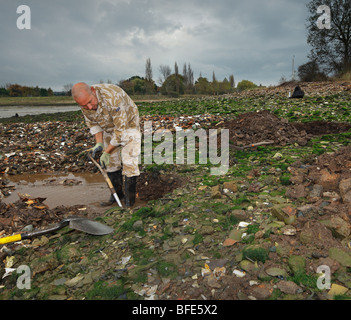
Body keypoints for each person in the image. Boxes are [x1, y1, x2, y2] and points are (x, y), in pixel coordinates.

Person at [71, 82, 141, 207]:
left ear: (93, 90)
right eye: (84, 105)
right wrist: (99, 144)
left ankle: (130, 203)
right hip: (108, 126)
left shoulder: (112, 97)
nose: (90, 107)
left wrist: (107, 151)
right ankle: (117, 196)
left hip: (128, 124)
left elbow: (121, 131)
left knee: (129, 162)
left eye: (90, 102)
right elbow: (94, 124)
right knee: (111, 164)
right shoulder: (85, 104)